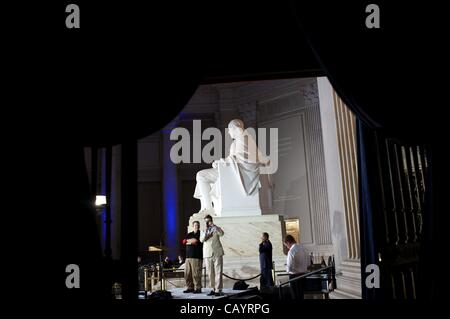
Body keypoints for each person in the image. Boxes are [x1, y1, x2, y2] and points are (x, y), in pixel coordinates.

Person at [193, 119, 269, 213]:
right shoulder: (239, 140)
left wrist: (222, 162)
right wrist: (220, 162)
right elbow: (235, 158)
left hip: (239, 171)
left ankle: (208, 208)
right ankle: (206, 207)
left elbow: (242, 159)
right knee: (201, 176)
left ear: (235, 129)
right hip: (233, 170)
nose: (229, 132)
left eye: (230, 129)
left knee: (201, 175)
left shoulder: (243, 138)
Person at [200, 215, 225, 296]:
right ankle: (213, 289)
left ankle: (218, 289)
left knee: (218, 271)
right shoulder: (203, 230)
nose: (208, 222)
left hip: (217, 251)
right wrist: (207, 233)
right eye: (206, 221)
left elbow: (222, 234)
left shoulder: (216, 228)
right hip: (207, 253)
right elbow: (202, 240)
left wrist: (215, 226)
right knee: (210, 272)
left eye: (209, 220)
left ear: (211, 220)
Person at [283, 235, 308, 299]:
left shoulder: (291, 251)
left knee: (295, 296)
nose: (287, 247)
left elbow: (289, 268)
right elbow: (308, 263)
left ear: (288, 242)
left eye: (286, 245)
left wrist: (285, 266)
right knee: (301, 296)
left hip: (295, 277)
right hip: (303, 275)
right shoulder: (303, 248)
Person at [181, 221, 203, 293]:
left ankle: (198, 288)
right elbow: (183, 241)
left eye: (197, 225)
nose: (196, 226)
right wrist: (189, 241)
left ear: (199, 226)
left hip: (196, 256)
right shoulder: (189, 234)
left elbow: (195, 240)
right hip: (188, 257)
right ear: (192, 226)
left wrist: (188, 241)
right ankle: (190, 287)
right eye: (195, 225)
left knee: (196, 274)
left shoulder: (200, 233)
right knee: (187, 274)